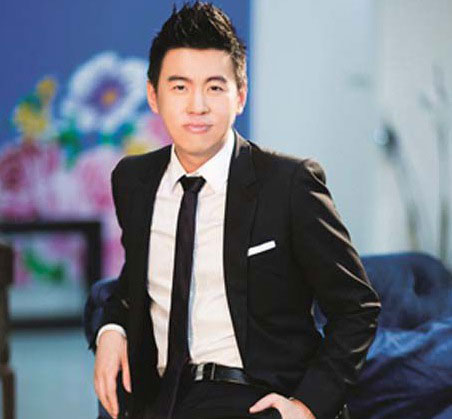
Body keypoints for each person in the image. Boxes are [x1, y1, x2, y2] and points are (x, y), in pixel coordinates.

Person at [93, 2, 381, 419]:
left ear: (240, 96)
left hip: (256, 397)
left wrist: (307, 406)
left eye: (214, 87)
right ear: (153, 96)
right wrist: (112, 328)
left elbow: (356, 307)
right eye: (180, 87)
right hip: (161, 398)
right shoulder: (134, 180)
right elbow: (137, 279)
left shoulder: (289, 184)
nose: (197, 105)